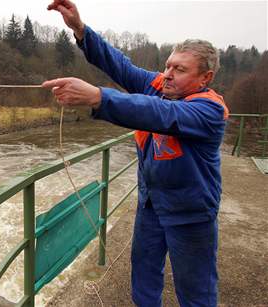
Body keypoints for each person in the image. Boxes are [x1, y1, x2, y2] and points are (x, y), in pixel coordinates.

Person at [42, 1, 229, 306]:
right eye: (167, 65)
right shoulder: (159, 86)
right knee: (143, 274)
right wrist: (80, 29)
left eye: (179, 69)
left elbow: (161, 114)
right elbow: (121, 66)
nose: (167, 74)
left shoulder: (210, 109)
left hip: (191, 213)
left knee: (196, 290)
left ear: (205, 78)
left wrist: (98, 97)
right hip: (151, 205)